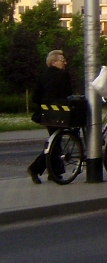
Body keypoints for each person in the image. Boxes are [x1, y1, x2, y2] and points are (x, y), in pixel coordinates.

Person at [27, 50, 74, 184]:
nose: (65, 63)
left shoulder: (42, 76)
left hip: (46, 115)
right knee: (55, 143)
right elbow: (68, 95)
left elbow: (35, 97)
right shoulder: (63, 75)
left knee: (55, 142)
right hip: (61, 113)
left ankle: (55, 172)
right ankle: (35, 168)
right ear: (53, 62)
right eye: (62, 60)